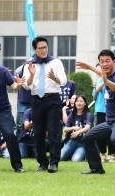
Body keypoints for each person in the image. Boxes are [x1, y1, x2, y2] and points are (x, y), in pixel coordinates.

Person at [75, 49, 115, 179]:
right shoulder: (107, 74)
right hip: (110, 122)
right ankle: (97, 168)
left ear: (114, 61)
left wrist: (106, 82)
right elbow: (101, 72)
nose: (104, 64)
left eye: (107, 61)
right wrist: (89, 67)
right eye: (101, 61)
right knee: (88, 137)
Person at [23, 36, 67, 173]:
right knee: (38, 132)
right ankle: (42, 162)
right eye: (40, 48)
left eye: (45, 47)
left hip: (53, 99)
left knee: (54, 131)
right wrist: (31, 75)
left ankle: (54, 163)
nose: (44, 50)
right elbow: (26, 86)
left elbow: (64, 81)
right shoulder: (30, 64)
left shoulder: (56, 62)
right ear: (34, 49)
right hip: (37, 100)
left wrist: (54, 78)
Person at [60, 95, 92, 162]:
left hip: (83, 143)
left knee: (75, 161)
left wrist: (78, 132)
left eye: (81, 101)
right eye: (77, 101)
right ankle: (72, 154)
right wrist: (74, 128)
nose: (79, 103)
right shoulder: (72, 115)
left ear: (85, 103)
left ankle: (80, 154)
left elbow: (88, 127)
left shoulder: (88, 114)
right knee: (59, 158)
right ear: (75, 103)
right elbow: (65, 129)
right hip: (71, 142)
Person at [14, 62, 32, 137]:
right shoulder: (22, 71)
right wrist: (26, 65)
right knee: (20, 126)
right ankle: (19, 143)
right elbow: (17, 72)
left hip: (35, 102)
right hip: (23, 102)